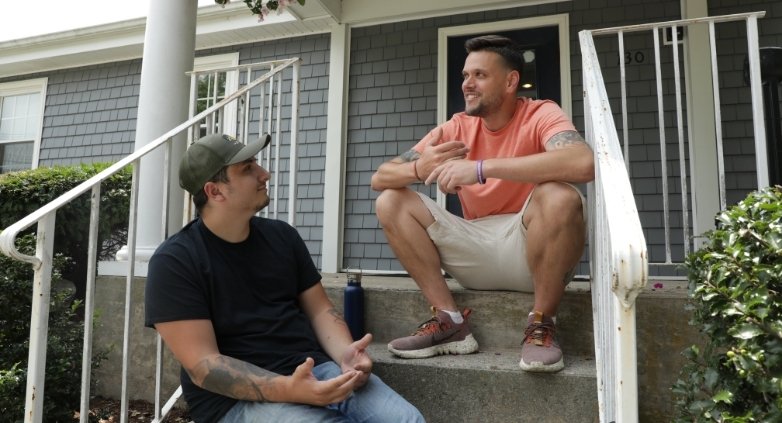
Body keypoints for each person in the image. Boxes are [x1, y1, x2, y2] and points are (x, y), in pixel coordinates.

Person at [145, 133, 425, 422]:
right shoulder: (175, 262)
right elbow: (204, 366)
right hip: (235, 402)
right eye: (247, 169)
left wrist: (345, 354)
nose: (264, 174)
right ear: (215, 192)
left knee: (407, 419)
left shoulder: (282, 236)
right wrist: (290, 389)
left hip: (312, 369)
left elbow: (319, 310)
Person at [370, 35, 594, 373]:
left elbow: (582, 162)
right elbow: (380, 177)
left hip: (529, 249)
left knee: (561, 195)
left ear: (510, 81)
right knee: (391, 200)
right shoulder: (457, 126)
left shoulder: (540, 113)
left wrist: (481, 168)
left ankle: (541, 325)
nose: (467, 84)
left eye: (479, 75)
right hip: (473, 248)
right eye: (464, 75)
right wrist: (418, 168)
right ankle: (449, 322)